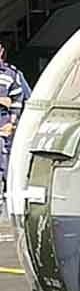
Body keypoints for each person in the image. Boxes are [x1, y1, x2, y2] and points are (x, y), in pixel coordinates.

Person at [0, 43, 31, 200]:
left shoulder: (11, 74)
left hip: (5, 126)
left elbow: (19, 99)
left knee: (6, 163)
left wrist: (12, 122)